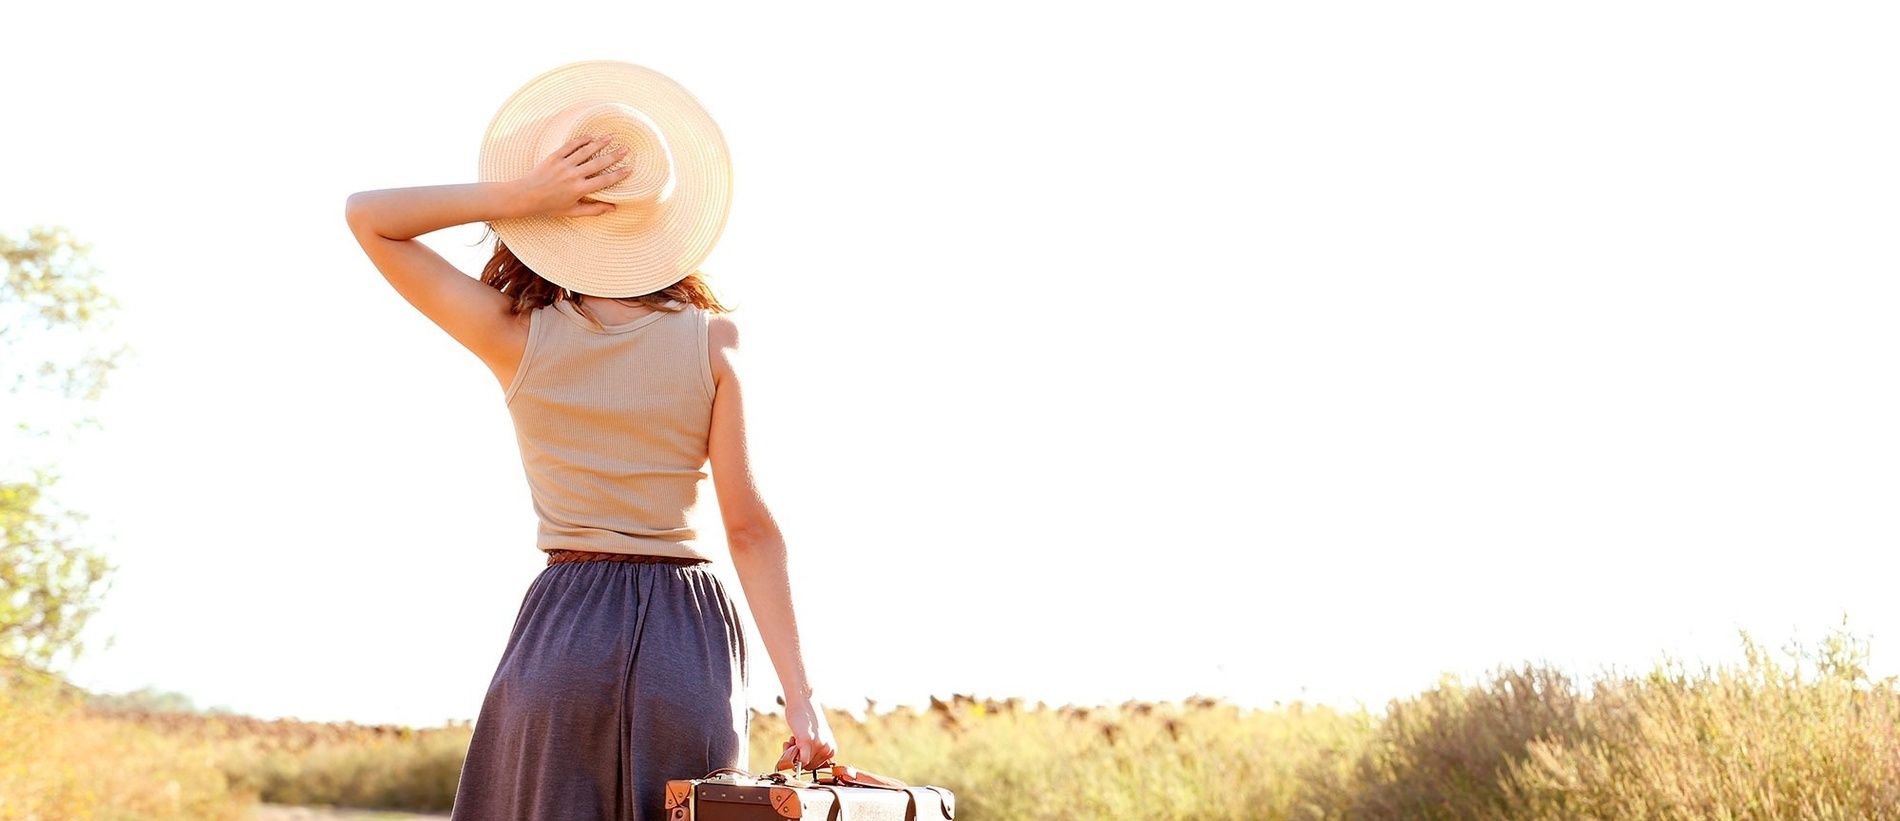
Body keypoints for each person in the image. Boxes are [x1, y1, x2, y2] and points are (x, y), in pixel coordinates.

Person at [343, 61, 836, 820]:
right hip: (689, 630)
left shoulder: (514, 333)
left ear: (560, 217)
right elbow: (748, 526)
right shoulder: (715, 342)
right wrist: (802, 704)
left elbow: (368, 214)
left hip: (567, 623)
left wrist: (518, 197)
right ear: (666, 219)